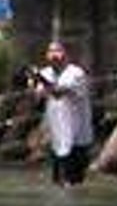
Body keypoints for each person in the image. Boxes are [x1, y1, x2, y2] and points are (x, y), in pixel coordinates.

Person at [31, 39, 93, 186]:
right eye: (51, 51)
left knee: (74, 184)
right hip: (57, 139)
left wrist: (39, 78)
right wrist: (33, 82)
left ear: (66, 54)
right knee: (57, 183)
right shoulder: (46, 73)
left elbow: (58, 93)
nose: (54, 55)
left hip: (77, 139)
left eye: (58, 51)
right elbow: (38, 98)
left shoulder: (76, 73)